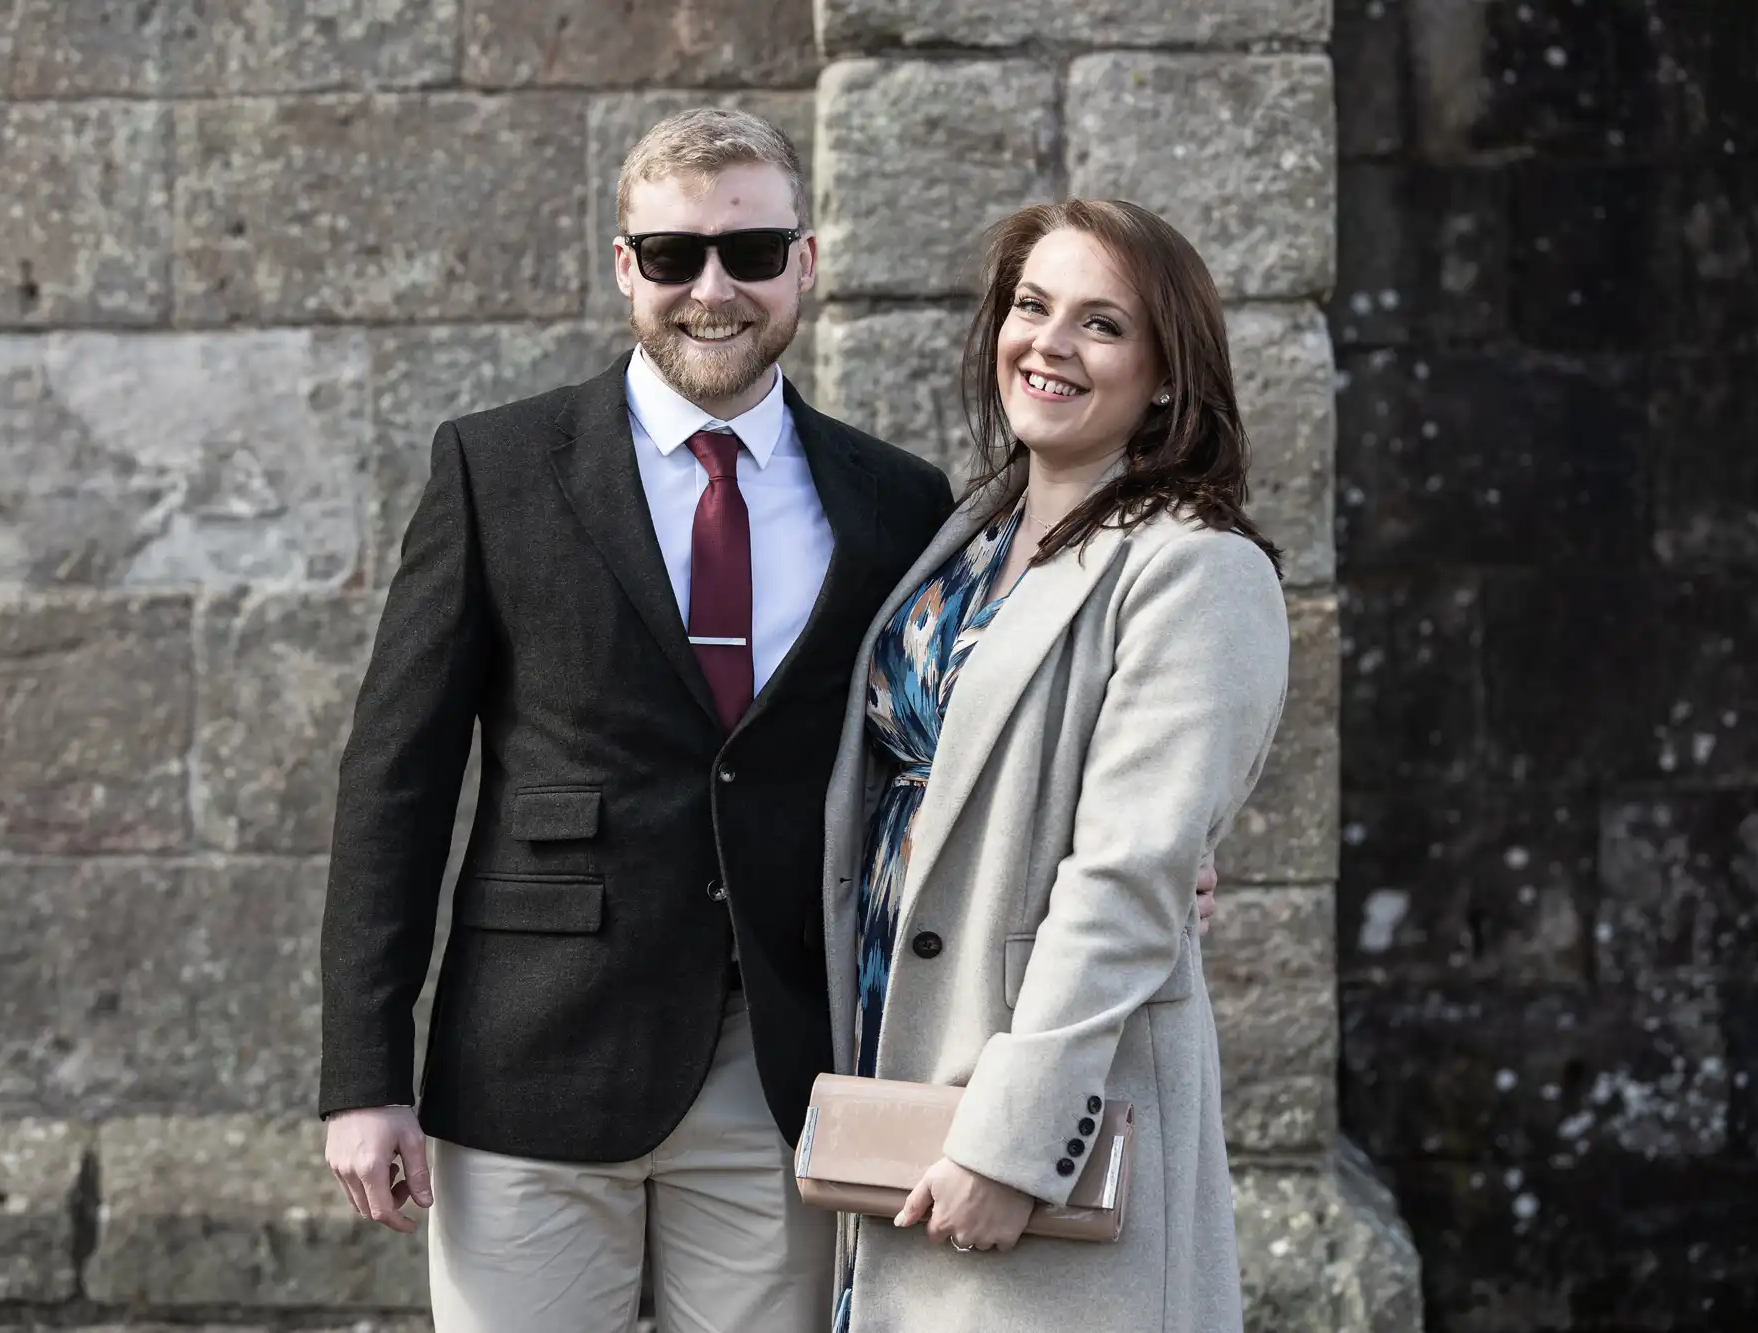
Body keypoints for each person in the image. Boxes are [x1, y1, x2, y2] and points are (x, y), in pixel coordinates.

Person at [318, 109, 1221, 1333]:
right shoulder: (498, 467)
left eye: (748, 253)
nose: (712, 289)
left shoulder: (898, 502)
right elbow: (395, 783)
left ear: (803, 263)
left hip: (786, 1074)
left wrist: (1155, 839)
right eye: (675, 254)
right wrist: (362, 1076)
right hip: (531, 1065)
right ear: (625, 265)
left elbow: (953, 733)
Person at [820, 198, 1289, 1333]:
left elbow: (1127, 881)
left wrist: (1010, 1141)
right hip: (893, 1039)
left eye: (1101, 324)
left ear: (1166, 374)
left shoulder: (1194, 568)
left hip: (1043, 1091)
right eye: (1031, 306)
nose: (1048, 343)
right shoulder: (969, 538)